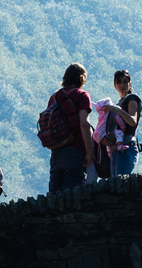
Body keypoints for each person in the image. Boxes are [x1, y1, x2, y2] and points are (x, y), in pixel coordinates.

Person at [46, 64, 96, 192]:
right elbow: (84, 124)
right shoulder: (82, 95)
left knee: (55, 193)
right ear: (82, 78)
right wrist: (89, 152)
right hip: (75, 150)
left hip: (57, 151)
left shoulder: (55, 97)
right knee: (73, 193)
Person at [105, 70, 142, 176]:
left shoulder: (131, 99)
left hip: (126, 147)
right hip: (115, 149)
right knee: (115, 185)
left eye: (125, 82)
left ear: (130, 84)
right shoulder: (119, 103)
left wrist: (117, 110)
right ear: (115, 85)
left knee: (120, 184)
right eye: (119, 82)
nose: (122, 85)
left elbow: (132, 121)